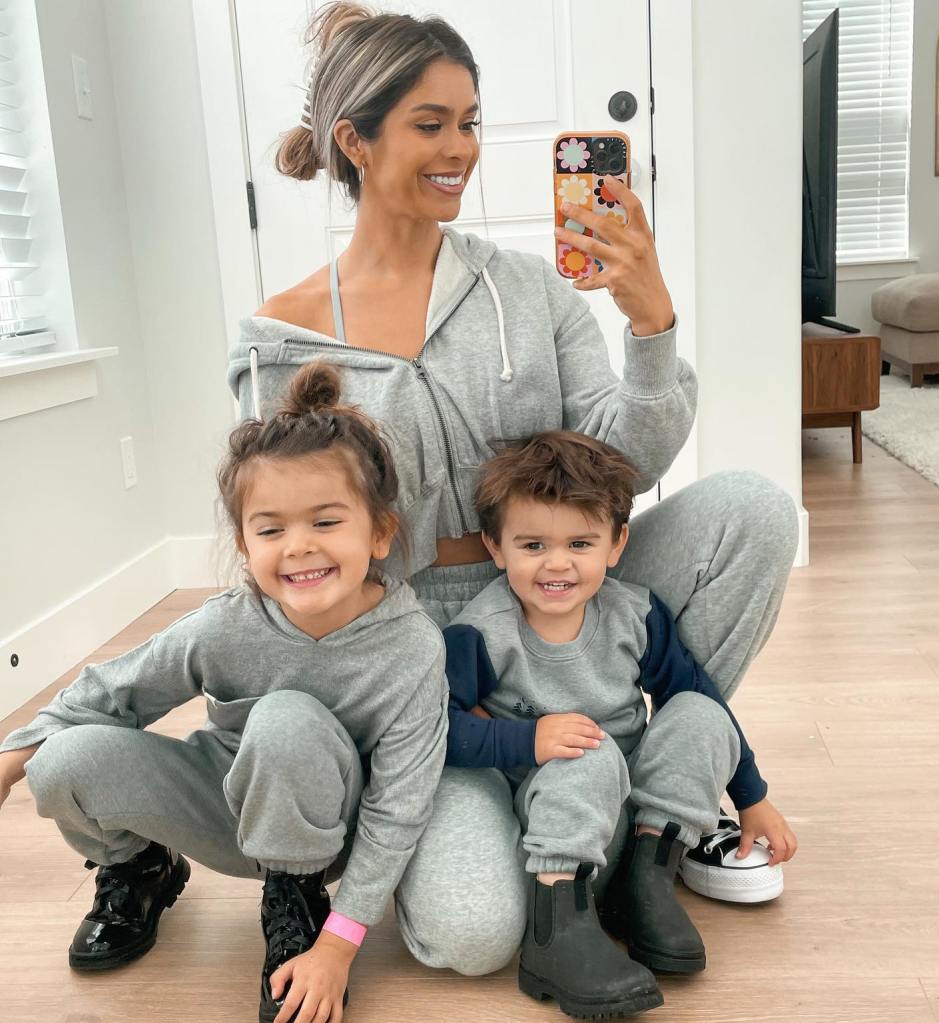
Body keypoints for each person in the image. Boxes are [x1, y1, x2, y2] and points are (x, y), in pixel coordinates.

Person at [227, 1, 798, 976]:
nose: (462, 150)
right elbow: (278, 550)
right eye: (430, 125)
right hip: (414, 636)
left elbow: (623, 468)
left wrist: (651, 331)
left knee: (749, 509)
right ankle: (519, 803)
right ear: (354, 142)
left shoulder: (530, 289)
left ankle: (655, 798)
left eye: (471, 122)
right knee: (470, 936)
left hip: (551, 574)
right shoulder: (281, 341)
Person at [0, 362, 448, 1023]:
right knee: (59, 760)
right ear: (244, 544)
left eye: (326, 522)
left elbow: (400, 807)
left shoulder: (411, 646)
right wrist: (9, 760)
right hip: (234, 812)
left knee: (287, 719)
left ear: (379, 531)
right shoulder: (225, 623)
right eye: (271, 530)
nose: (298, 547)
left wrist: (339, 944)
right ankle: (141, 870)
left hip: (334, 835)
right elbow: (113, 690)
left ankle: (293, 907)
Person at [442, 431, 798, 1017]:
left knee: (701, 713)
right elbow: (441, 730)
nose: (557, 563)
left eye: (580, 542)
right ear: (496, 546)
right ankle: (554, 932)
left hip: (639, 813)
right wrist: (528, 739)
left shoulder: (634, 612)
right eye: (533, 544)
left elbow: (692, 692)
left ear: (616, 544)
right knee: (588, 750)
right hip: (558, 813)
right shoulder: (481, 633)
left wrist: (752, 796)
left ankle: (647, 884)